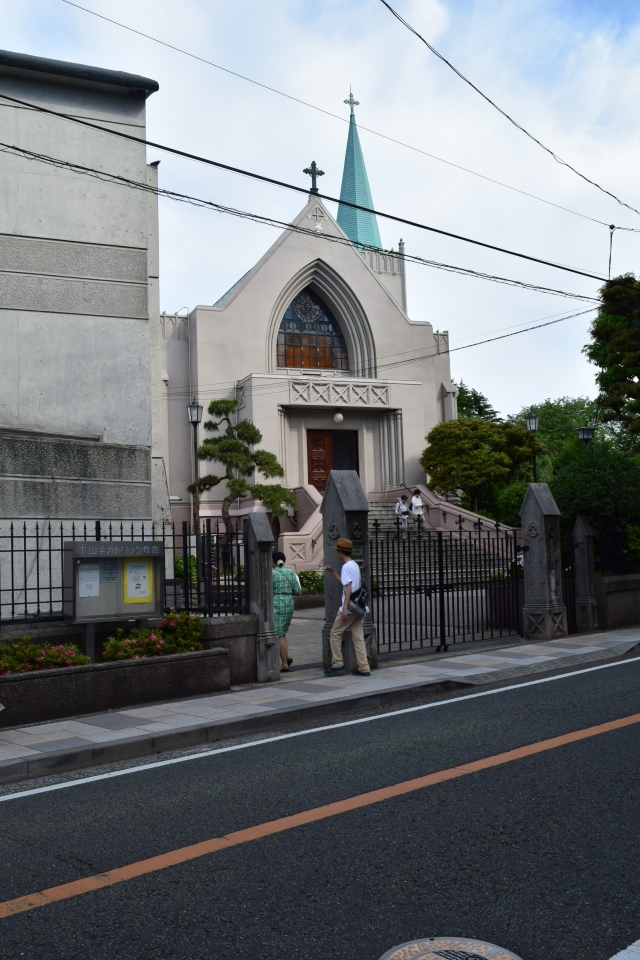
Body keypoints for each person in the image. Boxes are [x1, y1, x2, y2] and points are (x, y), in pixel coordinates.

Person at [324, 538, 370, 677]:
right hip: (358, 608)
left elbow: (348, 588)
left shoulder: (346, 567)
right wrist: (333, 572)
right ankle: (364, 667)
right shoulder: (354, 565)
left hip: (349, 609)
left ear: (340, 552)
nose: (337, 553)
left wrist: (344, 609)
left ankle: (337, 664)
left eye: (338, 551)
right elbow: (345, 584)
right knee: (358, 638)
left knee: (335, 634)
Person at [272, 551, 301, 672]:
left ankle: (284, 664)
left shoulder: (272, 574)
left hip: (277, 602)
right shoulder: (291, 572)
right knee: (283, 631)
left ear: (273, 561)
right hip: (289, 602)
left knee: (278, 633)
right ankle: (287, 656)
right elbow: (298, 591)